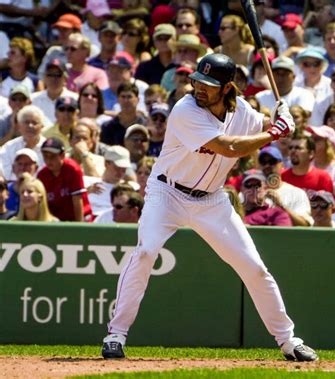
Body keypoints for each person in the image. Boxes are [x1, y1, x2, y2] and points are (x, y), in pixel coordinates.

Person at [100, 53, 317, 362]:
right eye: (197, 81)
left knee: (254, 267)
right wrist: (275, 131)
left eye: (208, 84)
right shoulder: (185, 109)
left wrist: (282, 119)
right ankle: (115, 335)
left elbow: (264, 127)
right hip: (167, 192)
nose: (199, 88)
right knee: (146, 251)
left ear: (227, 89)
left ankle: (288, 340)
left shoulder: (242, 111)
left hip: (211, 199)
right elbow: (230, 146)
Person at [37, 137, 92, 222]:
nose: (48, 160)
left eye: (53, 156)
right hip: (56, 220)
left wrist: (79, 227)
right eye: (45, 156)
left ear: (62, 155)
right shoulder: (42, 175)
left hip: (80, 216)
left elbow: (77, 201)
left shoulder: (72, 169)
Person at [258, 146, 313, 227]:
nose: (267, 165)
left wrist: (281, 206)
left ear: (282, 165)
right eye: (263, 162)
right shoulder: (250, 191)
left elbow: (305, 224)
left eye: (272, 161)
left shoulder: (297, 193)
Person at [0, 104, 46, 180]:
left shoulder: (48, 148)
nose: (30, 126)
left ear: (42, 126)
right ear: (19, 126)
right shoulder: (9, 147)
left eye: (35, 123)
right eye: (26, 122)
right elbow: (4, 174)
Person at [31, 59, 78, 128]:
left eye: (58, 75)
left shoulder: (75, 99)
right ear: (44, 78)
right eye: (50, 75)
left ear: (65, 78)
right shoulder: (33, 99)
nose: (54, 79)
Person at [4, 148, 39, 213]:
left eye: (27, 164)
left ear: (36, 168)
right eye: (19, 164)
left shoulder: (40, 190)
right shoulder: (5, 190)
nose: (23, 167)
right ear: (13, 167)